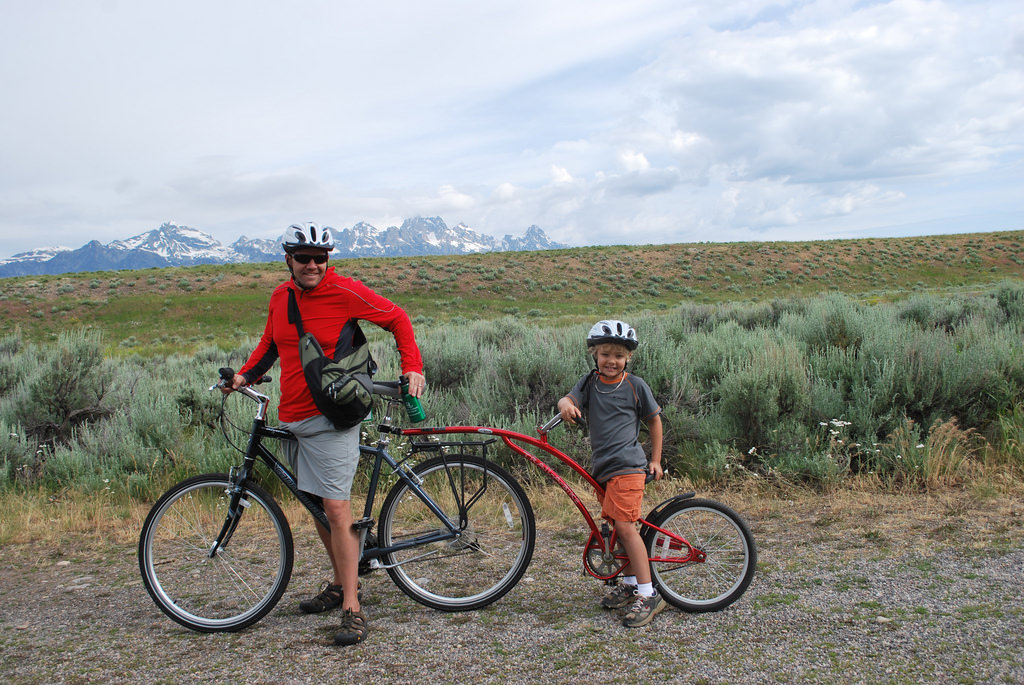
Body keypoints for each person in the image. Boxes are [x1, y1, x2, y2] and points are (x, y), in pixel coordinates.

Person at [225, 222, 426, 646]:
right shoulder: (280, 297)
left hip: (334, 416)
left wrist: (413, 366)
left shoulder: (345, 290)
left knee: (336, 509)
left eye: (320, 258)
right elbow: (270, 345)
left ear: (328, 260)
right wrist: (244, 376)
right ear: (289, 261)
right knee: (315, 503)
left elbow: (397, 318)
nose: (313, 265)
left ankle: (353, 606)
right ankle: (339, 583)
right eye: (304, 258)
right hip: (294, 415)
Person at [556, 319, 664, 628]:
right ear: (594, 354)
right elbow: (569, 398)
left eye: (618, 355)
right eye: (605, 354)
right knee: (615, 529)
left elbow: (654, 421)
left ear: (628, 357)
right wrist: (566, 405)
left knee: (625, 528)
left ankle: (648, 593)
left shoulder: (635, 385)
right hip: (604, 470)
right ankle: (629, 584)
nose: (611, 361)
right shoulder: (589, 383)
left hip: (629, 466)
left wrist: (655, 460)